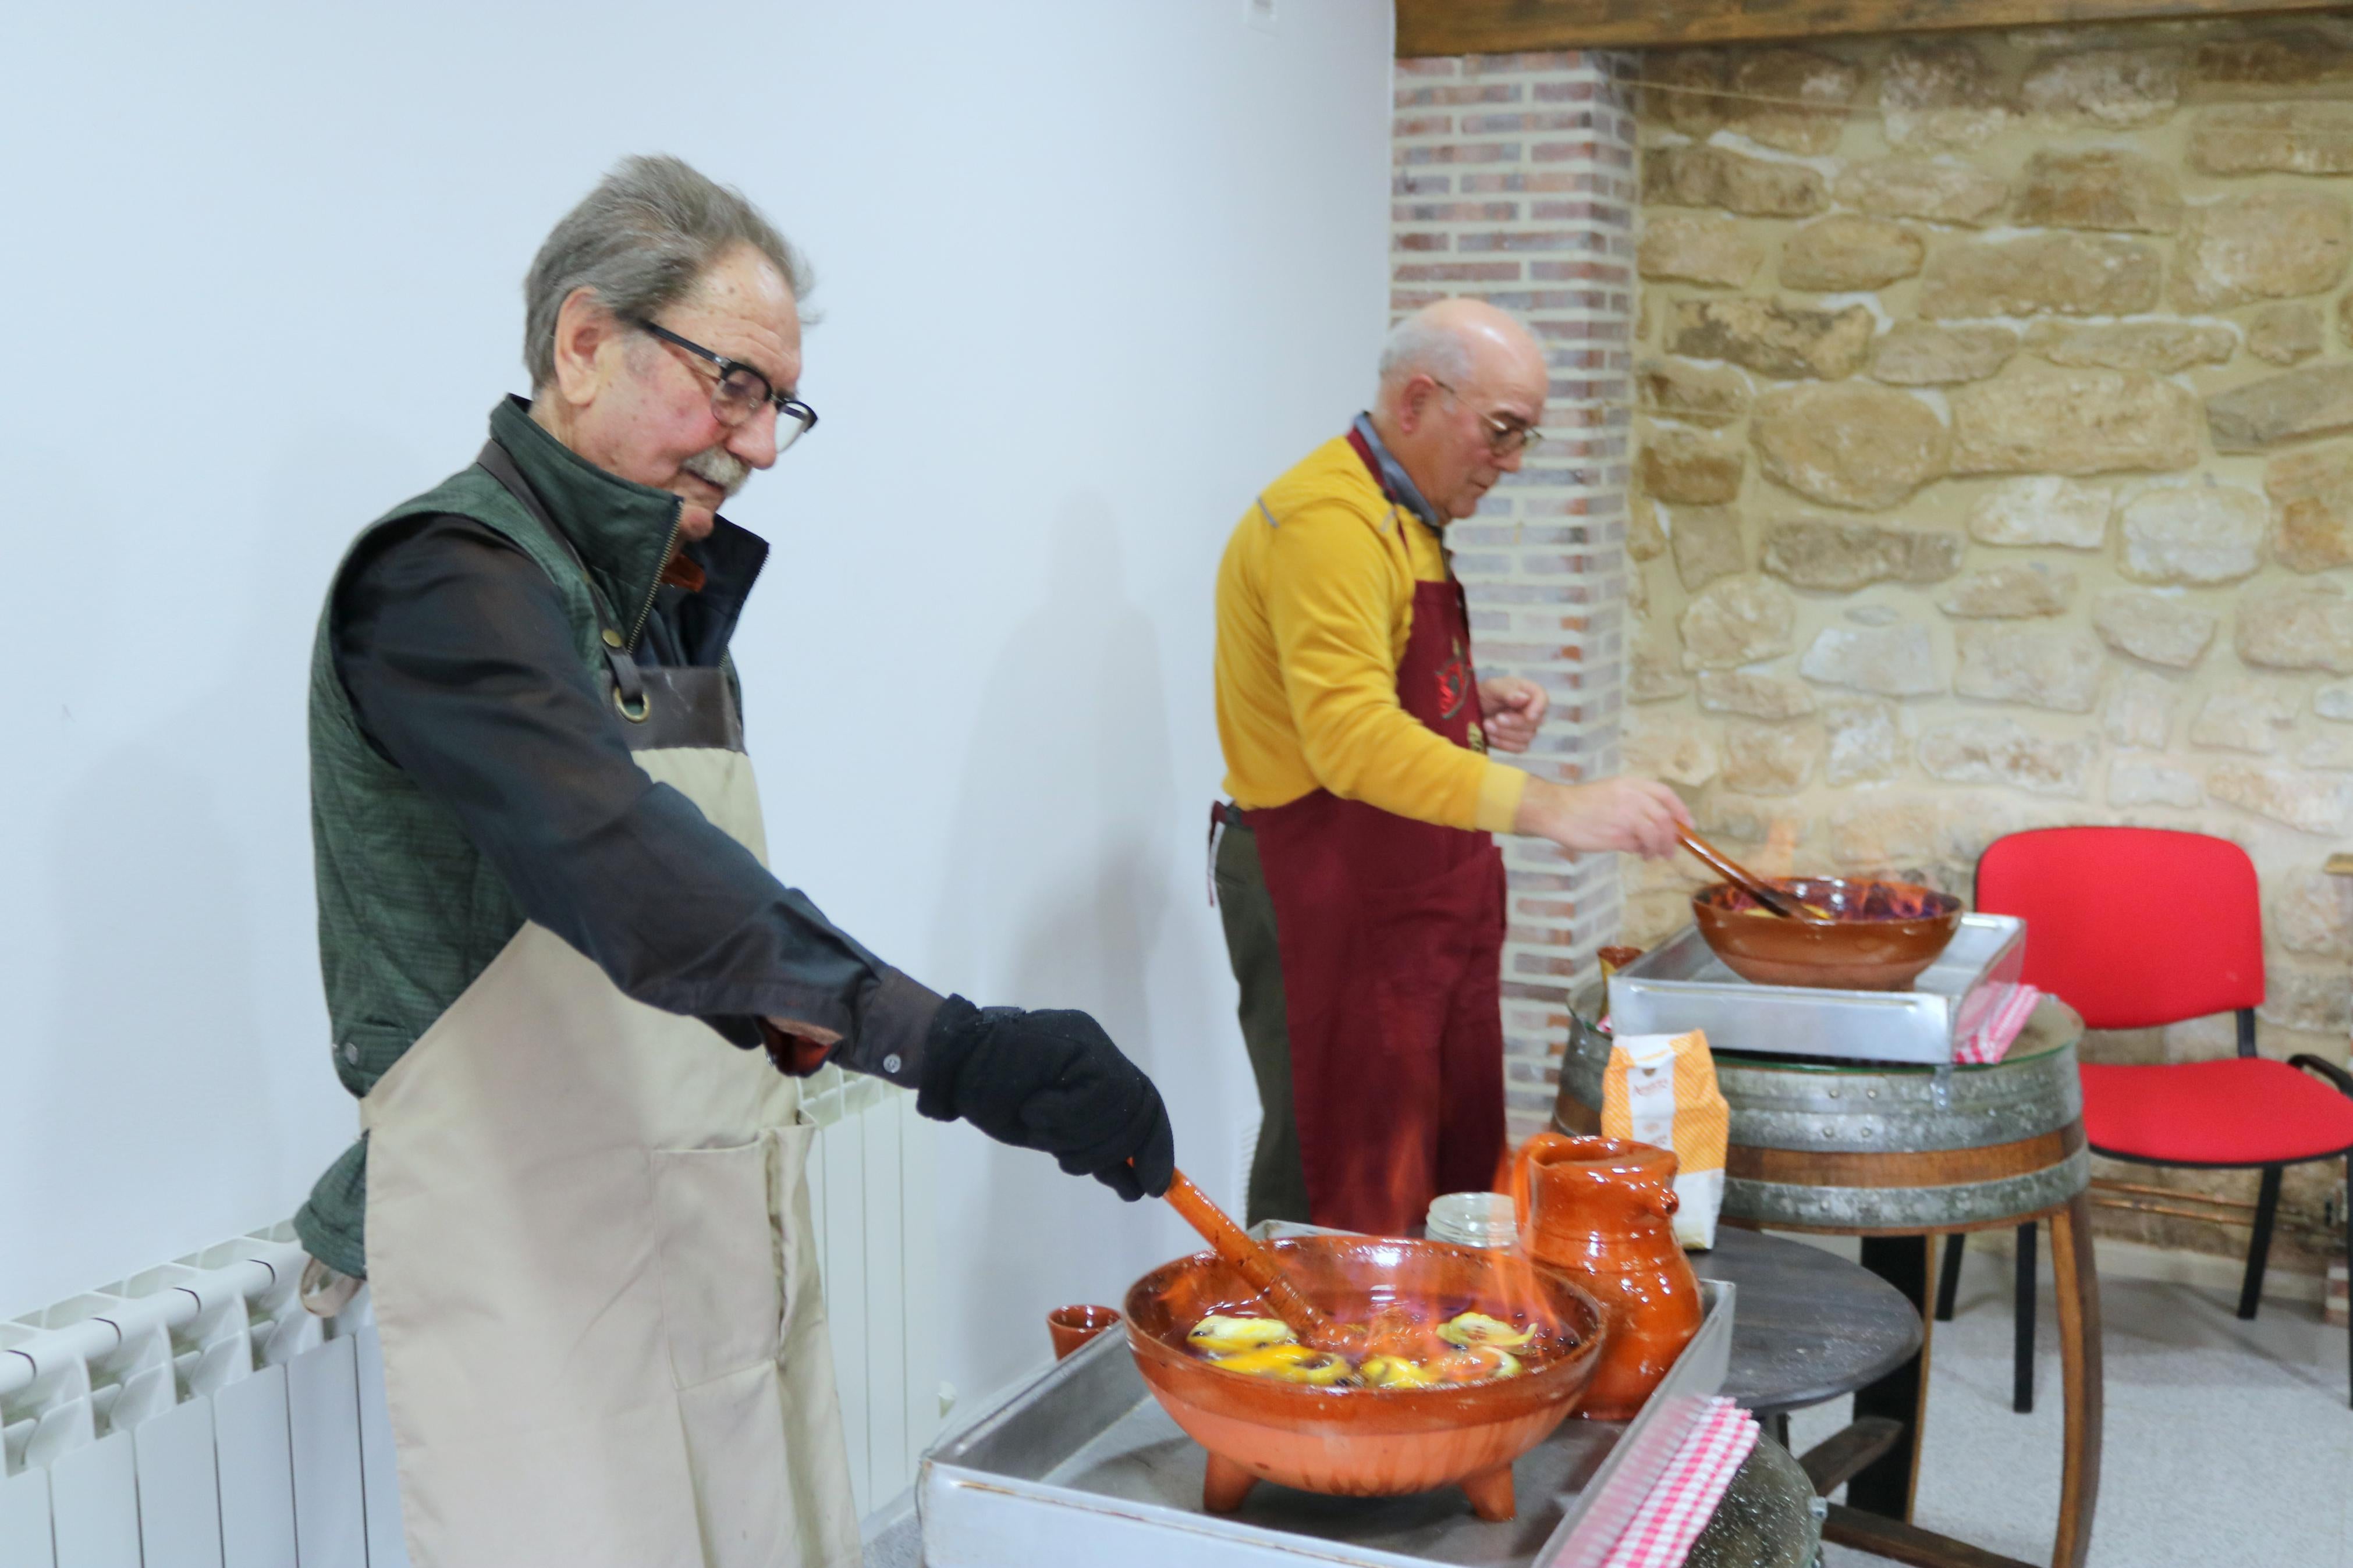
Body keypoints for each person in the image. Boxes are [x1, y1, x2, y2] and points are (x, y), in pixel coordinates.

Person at [292, 154, 1174, 1568]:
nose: (760, 445)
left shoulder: (661, 596)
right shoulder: (446, 584)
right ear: (585, 344)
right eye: (736, 387)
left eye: (780, 406)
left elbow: (724, 922)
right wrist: (946, 1047)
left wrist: (857, 1030)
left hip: (708, 1217)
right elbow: (630, 867)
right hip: (537, 1249)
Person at [1211, 298, 1688, 1236]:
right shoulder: (1328, 521)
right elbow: (1348, 740)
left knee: (1440, 1184)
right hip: (1332, 903)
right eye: (1502, 431)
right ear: (1419, 398)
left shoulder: (1405, 517)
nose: (1511, 463)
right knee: (1346, 1198)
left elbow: (1369, 681)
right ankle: (1320, 1383)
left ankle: (1438, 1376)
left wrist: (1467, 703)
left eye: (1525, 438)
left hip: (1419, 906)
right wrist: (1556, 807)